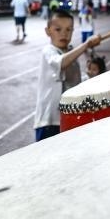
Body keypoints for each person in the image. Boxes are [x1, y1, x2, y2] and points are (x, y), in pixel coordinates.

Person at [33, 10, 101, 141]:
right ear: (48, 31)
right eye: (58, 29)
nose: (64, 34)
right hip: (49, 120)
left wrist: (90, 76)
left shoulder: (71, 52)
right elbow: (61, 63)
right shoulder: (48, 51)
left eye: (68, 29)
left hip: (67, 117)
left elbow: (73, 82)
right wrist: (86, 44)